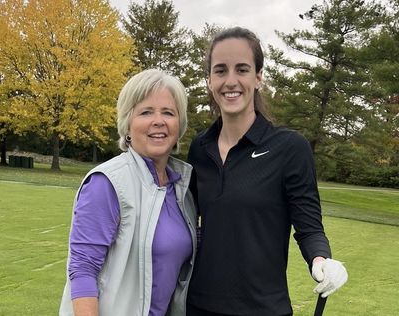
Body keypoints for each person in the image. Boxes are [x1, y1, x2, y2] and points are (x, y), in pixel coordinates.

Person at [186, 27, 348, 316]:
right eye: (220, 70)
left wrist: (320, 260)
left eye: (243, 69)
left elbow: (309, 227)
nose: (231, 81)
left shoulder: (289, 148)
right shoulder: (200, 148)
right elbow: (185, 223)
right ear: (209, 80)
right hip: (198, 306)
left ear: (258, 77)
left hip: (264, 309)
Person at [59, 69, 197, 316]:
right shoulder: (108, 183)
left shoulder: (181, 188)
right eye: (145, 112)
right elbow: (82, 269)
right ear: (128, 125)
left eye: (168, 112)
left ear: (180, 124)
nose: (158, 121)